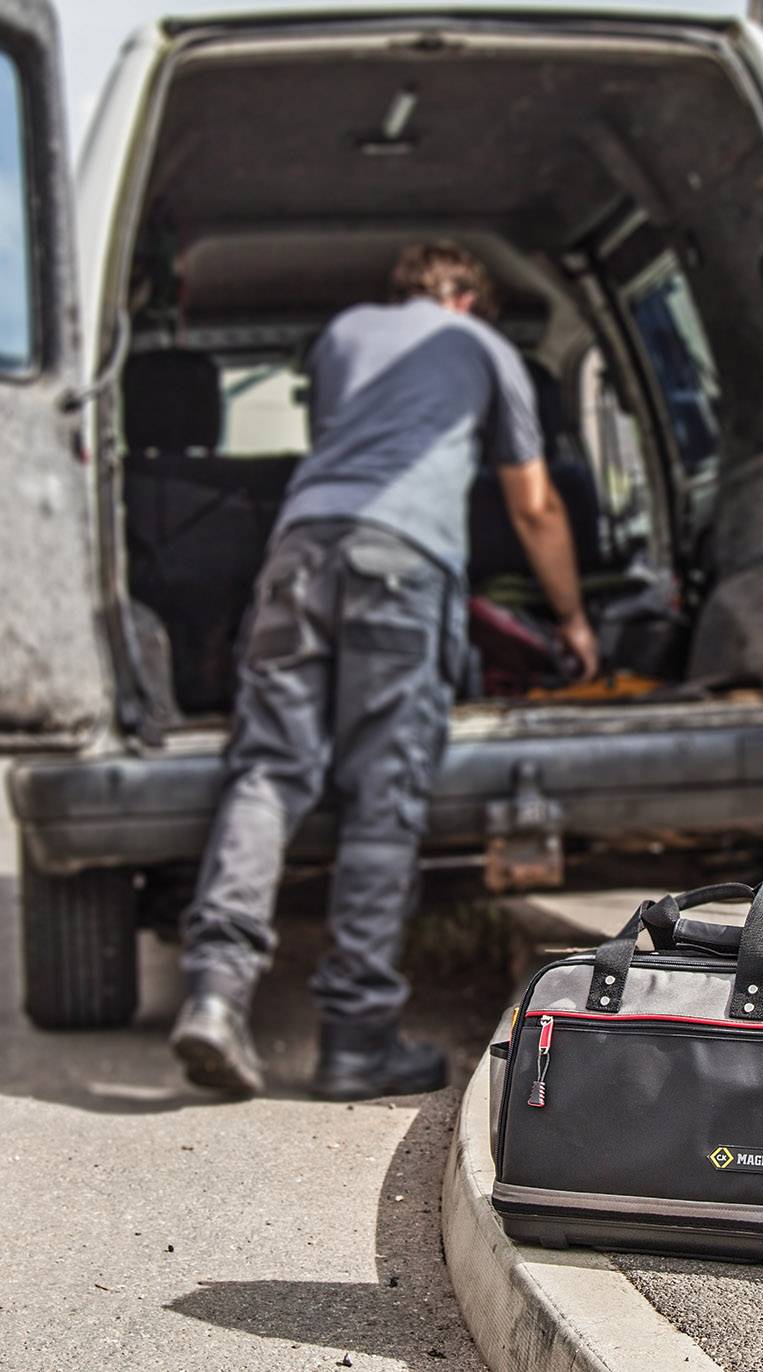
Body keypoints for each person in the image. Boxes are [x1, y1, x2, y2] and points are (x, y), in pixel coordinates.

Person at [171, 241, 598, 1101]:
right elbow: (535, 504)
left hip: (297, 554)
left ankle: (216, 992)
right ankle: (355, 1041)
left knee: (269, 772)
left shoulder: (342, 335)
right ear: (468, 300)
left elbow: (347, 443)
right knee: (382, 795)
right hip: (400, 567)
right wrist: (574, 620)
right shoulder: (480, 348)